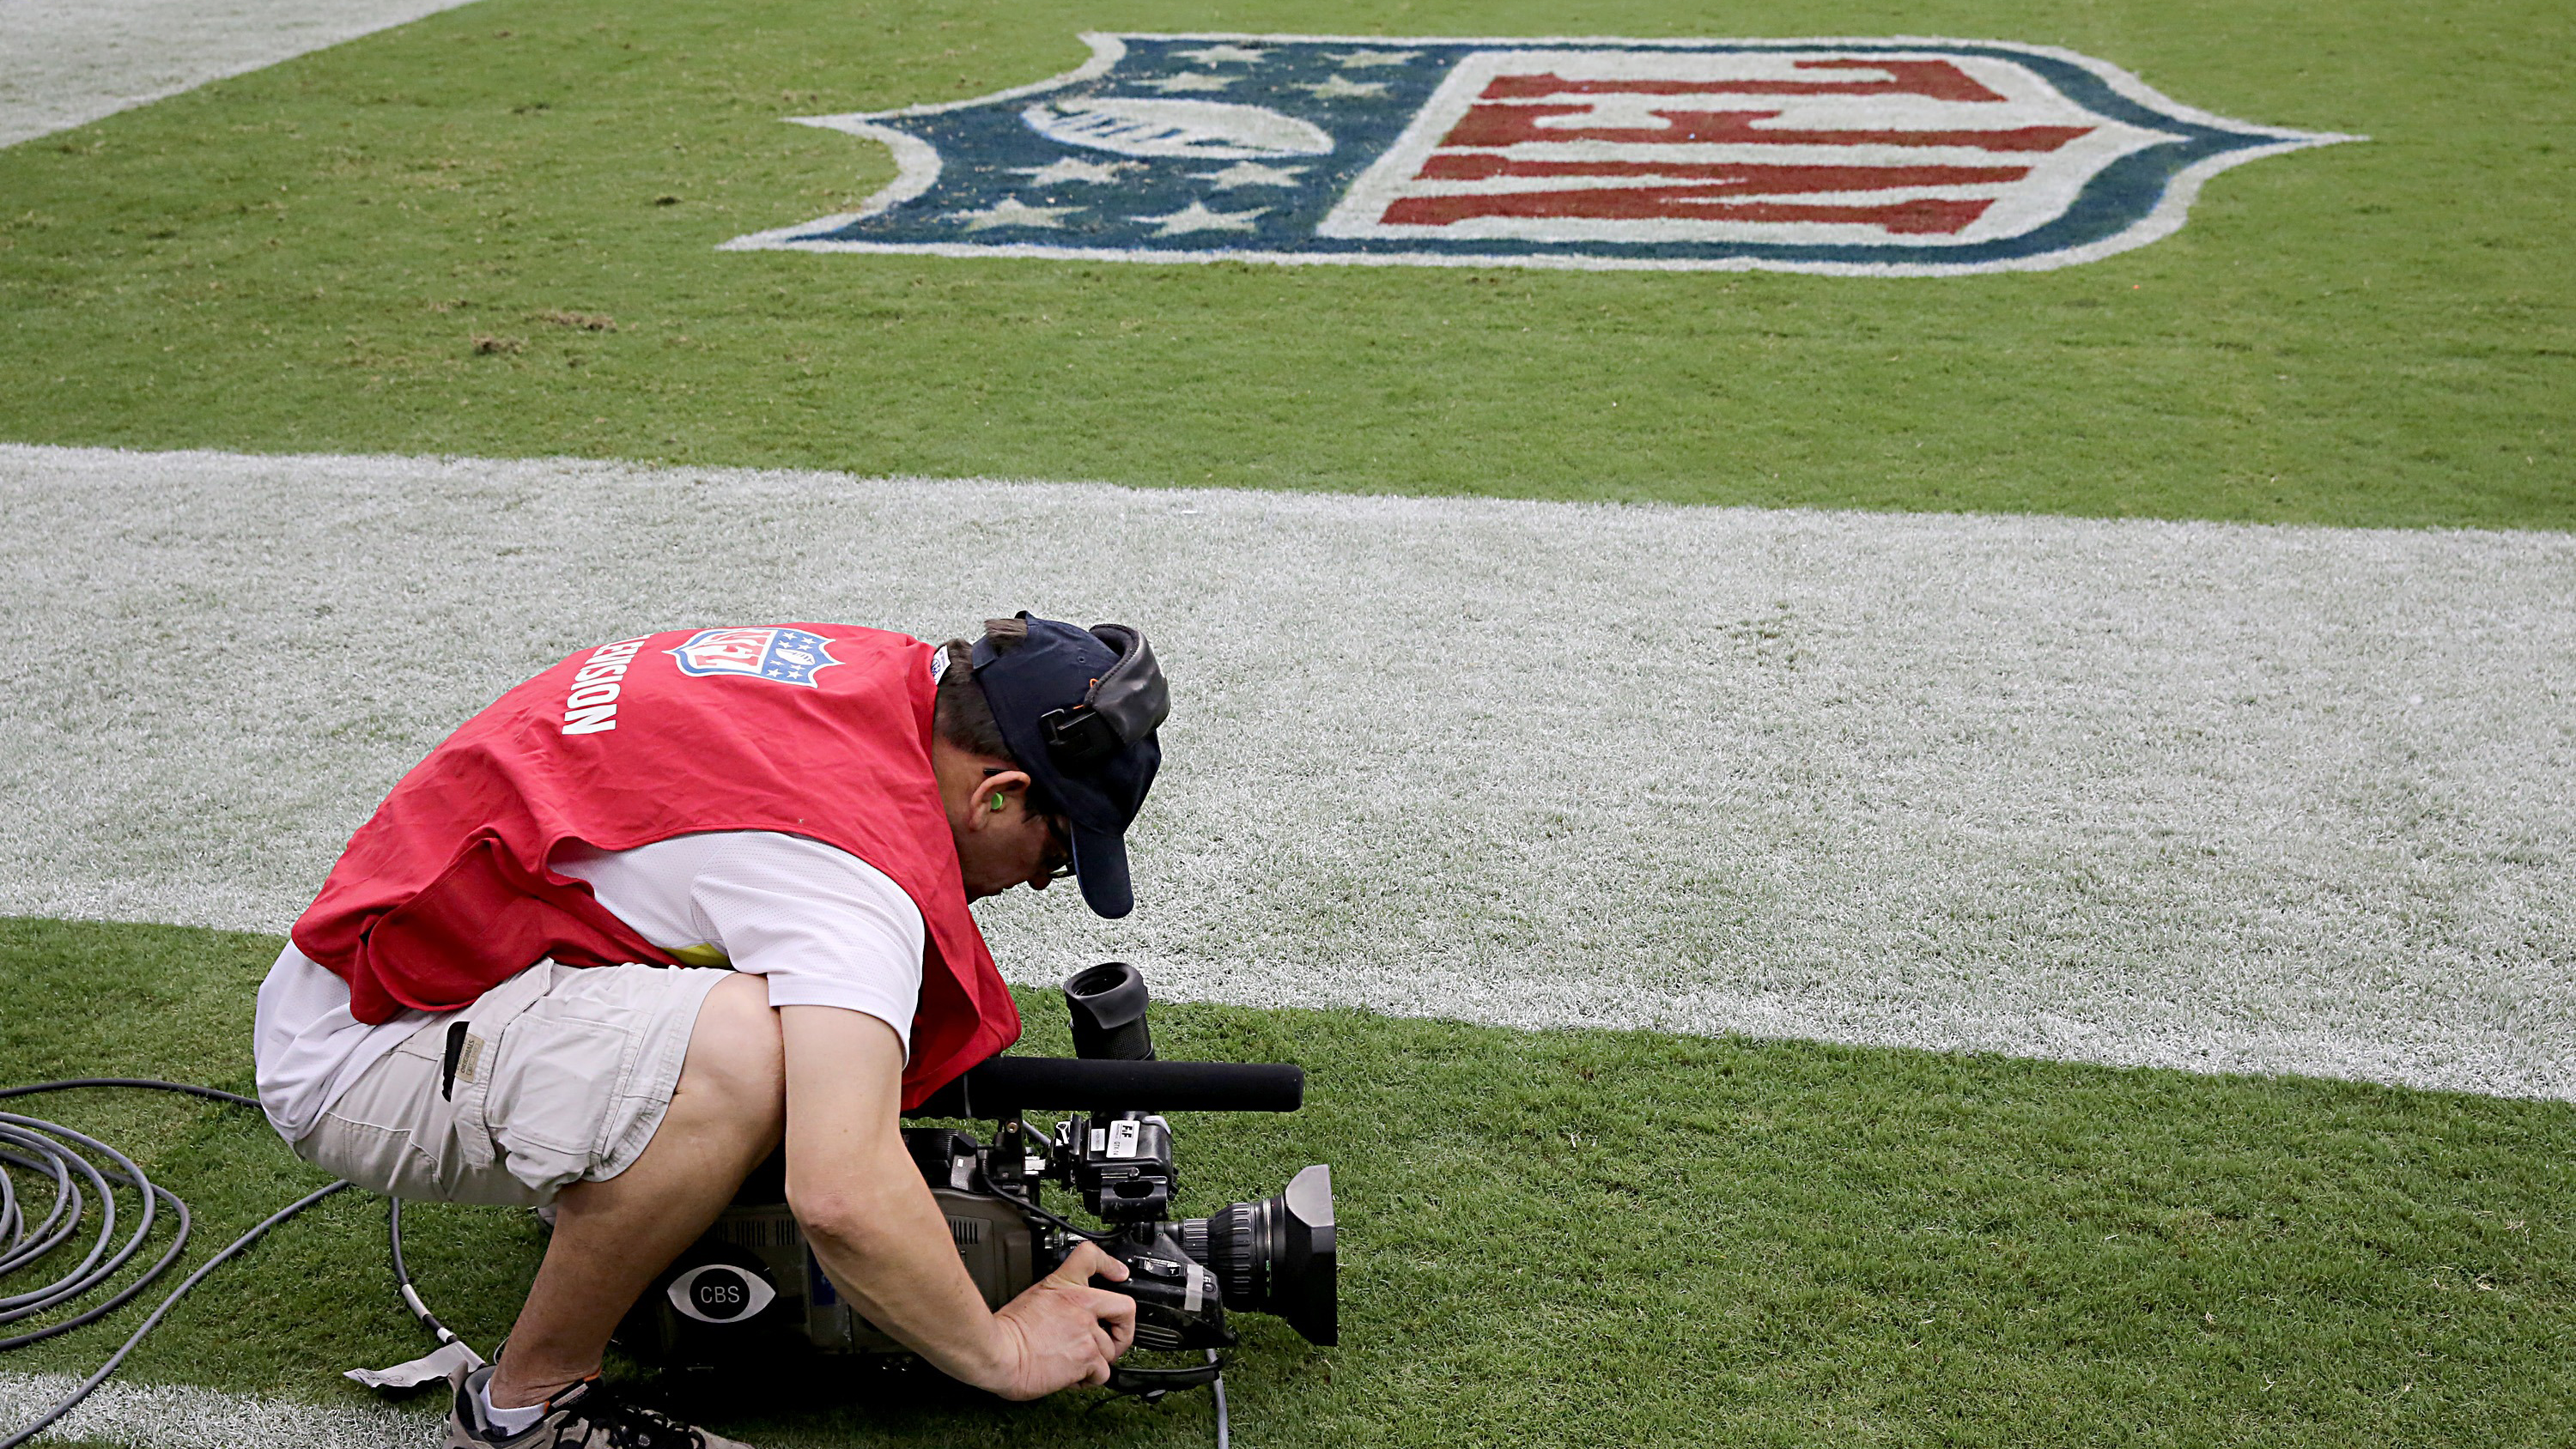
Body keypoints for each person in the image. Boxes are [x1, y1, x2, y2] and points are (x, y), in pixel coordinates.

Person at [252, 613, 1169, 1449]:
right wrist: (1003, 1347)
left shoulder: (889, 673)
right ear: (999, 792)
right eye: (1058, 848)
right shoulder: (848, 875)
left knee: (800, 1043)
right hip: (364, 1046)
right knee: (758, 1054)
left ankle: (611, 1182)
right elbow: (841, 1190)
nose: (1047, 880)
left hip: (415, 951)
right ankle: (527, 1405)